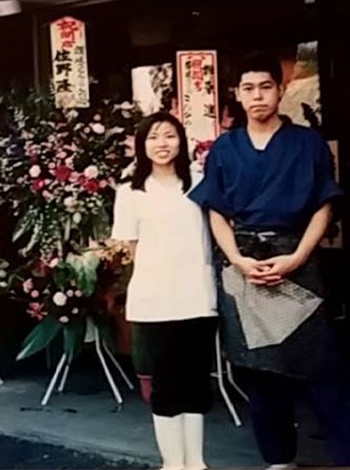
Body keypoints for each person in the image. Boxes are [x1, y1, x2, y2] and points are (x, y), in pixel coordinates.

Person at [188, 52, 350, 468]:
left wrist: (298, 256)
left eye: (265, 87)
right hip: (243, 265)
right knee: (258, 372)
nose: (257, 96)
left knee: (321, 366)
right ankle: (278, 459)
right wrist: (236, 259)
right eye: (248, 88)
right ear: (237, 94)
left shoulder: (307, 143)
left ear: (281, 89)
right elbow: (215, 210)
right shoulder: (225, 147)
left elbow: (324, 205)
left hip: (297, 260)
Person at [111, 112, 218, 470]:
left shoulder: (199, 183)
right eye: (153, 137)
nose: (162, 144)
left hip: (198, 297)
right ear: (142, 145)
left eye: (170, 135)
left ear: (181, 141)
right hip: (155, 301)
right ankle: (172, 463)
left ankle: (196, 462)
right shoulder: (130, 192)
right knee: (166, 385)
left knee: (196, 383)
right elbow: (132, 249)